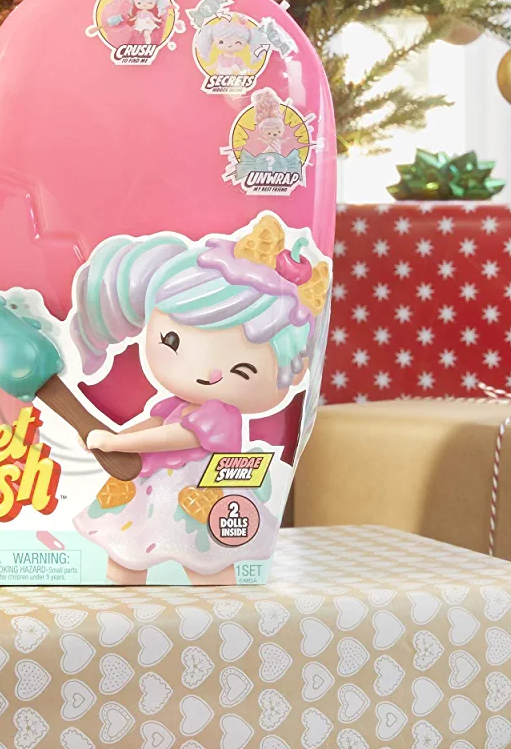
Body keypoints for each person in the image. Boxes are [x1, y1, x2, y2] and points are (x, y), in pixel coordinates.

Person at [68, 217, 329, 584]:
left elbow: (178, 436)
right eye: (173, 341)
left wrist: (115, 444)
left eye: (242, 370)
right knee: (126, 556)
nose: (211, 374)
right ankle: (122, 608)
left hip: (196, 493)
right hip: (153, 490)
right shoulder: (177, 404)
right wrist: (112, 437)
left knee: (205, 563)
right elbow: (156, 423)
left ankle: (218, 614)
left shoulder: (220, 414)